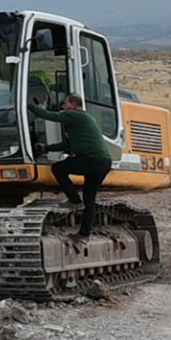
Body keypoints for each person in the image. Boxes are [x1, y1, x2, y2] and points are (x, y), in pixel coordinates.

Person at [28, 93, 113, 239]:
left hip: (91, 159)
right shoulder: (84, 120)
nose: (62, 107)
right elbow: (68, 144)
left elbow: (50, 116)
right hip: (103, 162)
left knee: (58, 168)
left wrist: (27, 105)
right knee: (89, 198)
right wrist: (47, 148)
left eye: (65, 104)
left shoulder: (75, 115)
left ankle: (74, 200)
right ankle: (84, 233)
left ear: (74, 104)